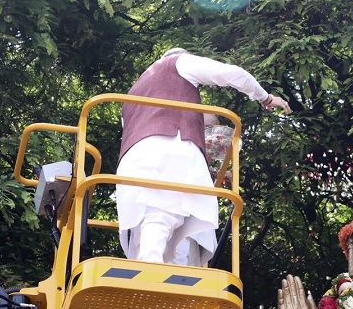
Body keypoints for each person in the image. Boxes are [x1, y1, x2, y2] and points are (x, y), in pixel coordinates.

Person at [116, 47, 291, 266]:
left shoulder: (132, 92)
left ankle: (153, 275)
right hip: (168, 146)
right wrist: (265, 98)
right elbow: (231, 73)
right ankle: (151, 270)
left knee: (150, 221)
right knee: (163, 213)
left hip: (131, 162)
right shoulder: (177, 63)